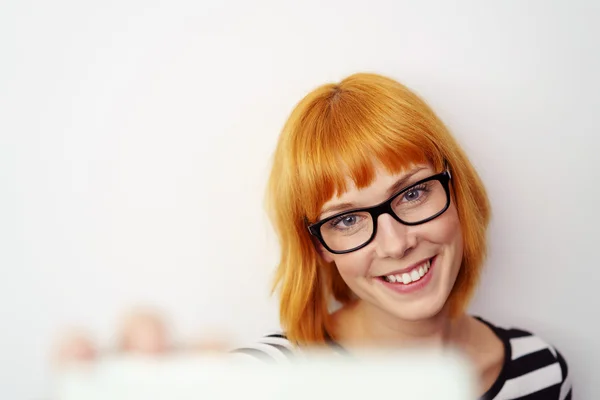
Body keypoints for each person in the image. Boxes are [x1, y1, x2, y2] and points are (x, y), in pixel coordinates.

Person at [231, 72, 572, 400]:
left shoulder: (542, 371)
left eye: (412, 194)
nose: (396, 245)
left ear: (456, 191)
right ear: (319, 245)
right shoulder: (265, 379)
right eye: (348, 219)